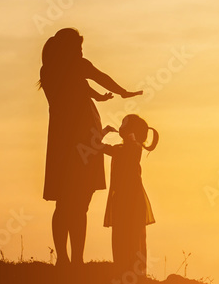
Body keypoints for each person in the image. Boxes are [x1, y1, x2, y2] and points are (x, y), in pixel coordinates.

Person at [39, 28, 142, 267]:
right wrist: (122, 92)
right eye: (79, 47)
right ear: (70, 49)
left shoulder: (50, 70)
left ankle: (66, 259)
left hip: (63, 142)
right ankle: (75, 259)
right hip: (84, 138)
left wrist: (99, 97)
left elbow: (79, 87)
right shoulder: (76, 66)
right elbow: (99, 76)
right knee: (80, 201)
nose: (81, 52)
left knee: (65, 202)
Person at [101, 114, 157, 275]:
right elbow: (104, 147)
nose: (120, 127)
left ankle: (133, 275)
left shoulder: (133, 148)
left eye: (124, 124)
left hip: (131, 200)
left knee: (131, 236)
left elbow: (103, 147)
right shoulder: (124, 148)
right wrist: (104, 132)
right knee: (122, 235)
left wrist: (103, 133)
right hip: (122, 199)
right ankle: (125, 272)